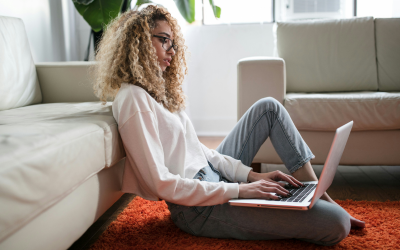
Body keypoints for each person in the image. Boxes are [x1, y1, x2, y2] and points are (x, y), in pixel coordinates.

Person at [92, 5, 365, 246]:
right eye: (164, 40)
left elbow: (199, 151)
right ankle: (312, 208)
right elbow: (161, 183)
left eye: (173, 43)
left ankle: (316, 193)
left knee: (268, 107)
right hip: (197, 208)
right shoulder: (133, 98)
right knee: (337, 224)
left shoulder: (157, 91)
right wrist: (239, 190)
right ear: (138, 41)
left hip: (213, 178)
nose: (171, 51)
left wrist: (250, 177)